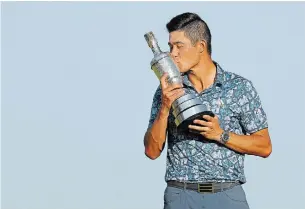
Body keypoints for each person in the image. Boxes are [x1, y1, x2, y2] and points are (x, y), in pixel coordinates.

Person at [143, 12, 272, 209]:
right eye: (170, 47)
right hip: (180, 195)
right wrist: (165, 107)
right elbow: (151, 152)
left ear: (201, 47)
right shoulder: (166, 91)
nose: (173, 53)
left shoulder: (239, 88)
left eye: (179, 46)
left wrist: (220, 135)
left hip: (227, 195)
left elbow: (264, 146)